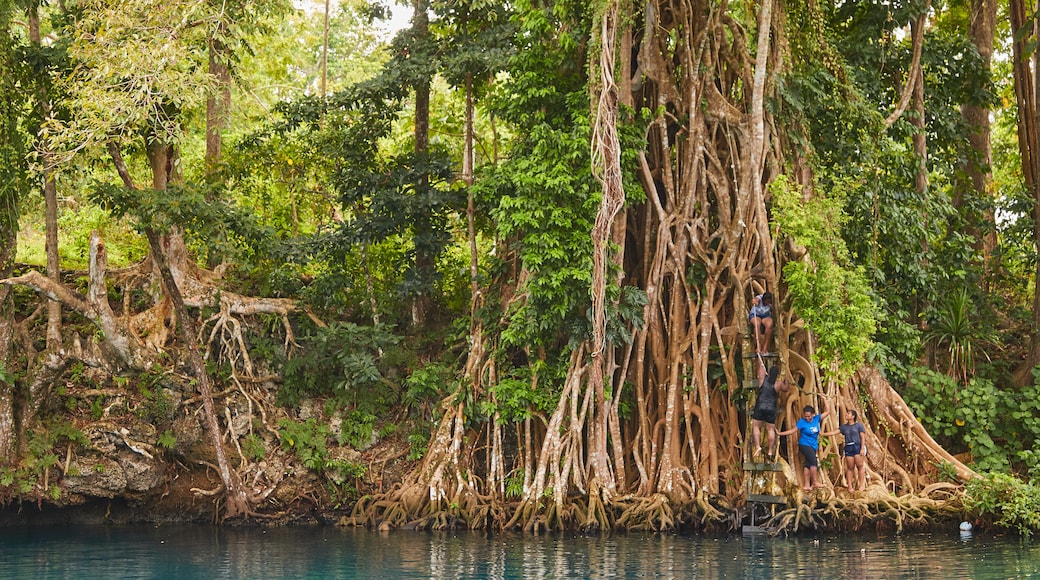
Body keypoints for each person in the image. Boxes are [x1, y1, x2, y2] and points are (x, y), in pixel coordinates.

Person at [778, 399, 830, 491]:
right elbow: (792, 430)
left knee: (808, 464)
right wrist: (780, 433)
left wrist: (825, 400)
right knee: (813, 461)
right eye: (805, 416)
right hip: (804, 445)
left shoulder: (816, 419)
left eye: (809, 416)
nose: (807, 418)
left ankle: (806, 485)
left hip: (813, 445)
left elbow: (827, 412)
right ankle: (814, 482)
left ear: (813, 414)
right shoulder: (802, 422)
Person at [750, 363, 789, 459]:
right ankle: (770, 451)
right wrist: (787, 381)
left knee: (756, 426)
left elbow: (760, 370)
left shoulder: (762, 379)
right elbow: (786, 389)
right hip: (771, 408)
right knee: (770, 429)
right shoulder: (778, 383)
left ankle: (758, 446)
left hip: (760, 406)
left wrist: (761, 363)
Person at [825, 409, 867, 491]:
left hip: (857, 446)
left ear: (853, 416)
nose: (846, 415)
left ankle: (861, 485)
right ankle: (850, 486)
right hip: (849, 447)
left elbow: (863, 437)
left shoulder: (859, 426)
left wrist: (862, 448)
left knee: (860, 466)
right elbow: (834, 432)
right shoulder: (844, 427)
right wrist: (823, 434)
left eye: (848, 414)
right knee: (850, 467)